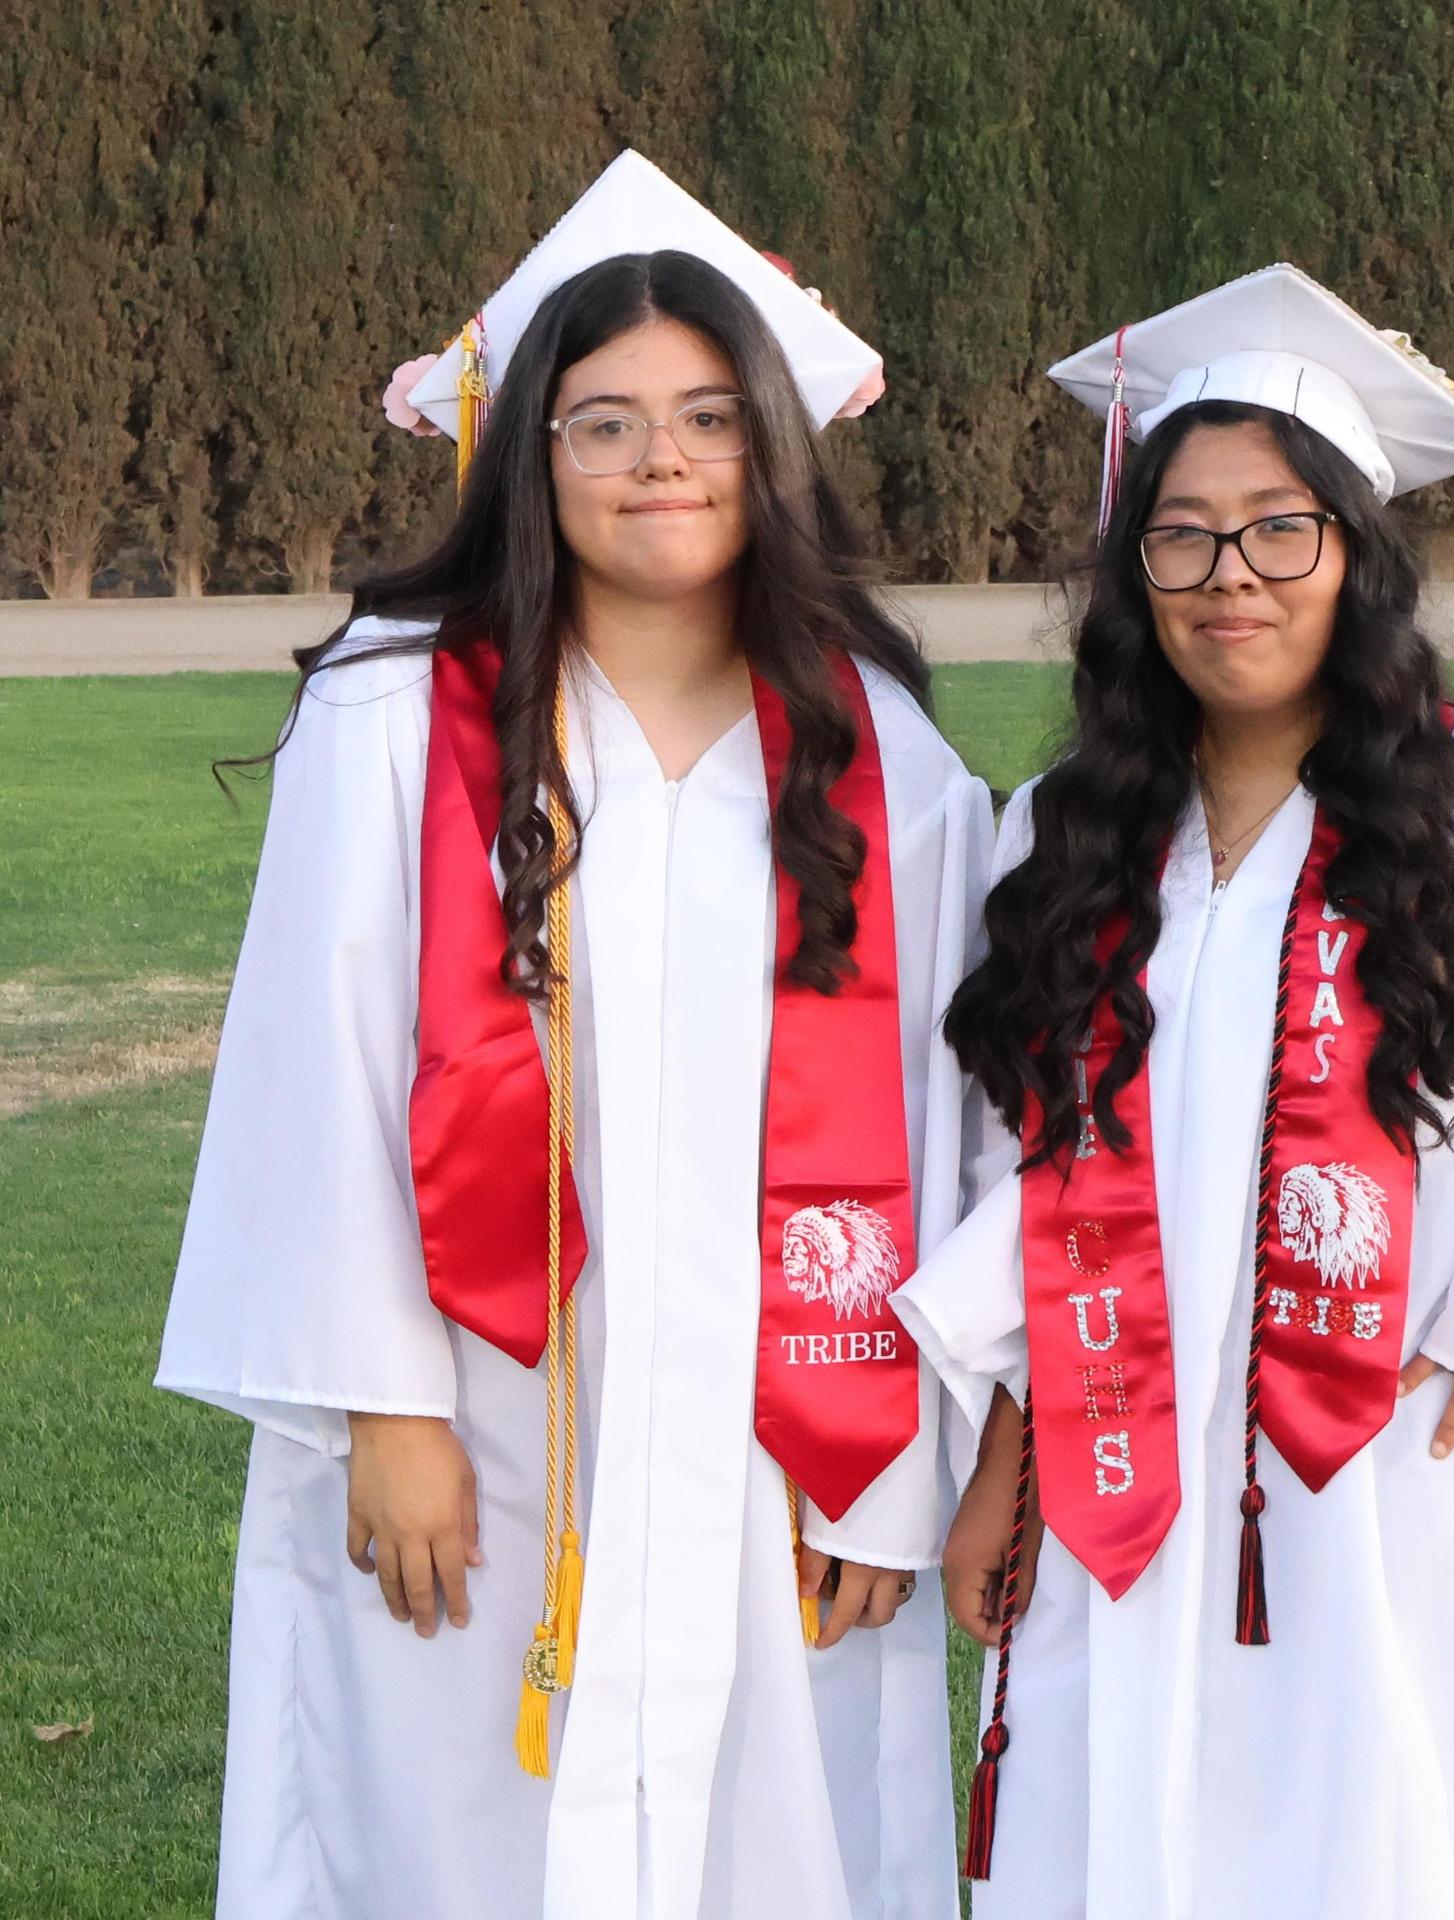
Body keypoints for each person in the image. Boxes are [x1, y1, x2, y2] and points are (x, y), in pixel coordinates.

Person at [890, 264, 1454, 1920]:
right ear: (1135, 573)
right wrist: (1001, 1468)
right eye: (1181, 535)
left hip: (1388, 1475)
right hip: (1118, 1470)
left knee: (1388, 1833)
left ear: (1355, 555)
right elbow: (1033, 1180)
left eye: (1278, 529)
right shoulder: (1070, 843)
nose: (1227, 575)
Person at [158, 151, 989, 1920]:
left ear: (770, 448)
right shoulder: (399, 718)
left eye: (703, 416)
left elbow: (952, 1128)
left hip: (777, 1447)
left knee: (772, 1842)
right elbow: (313, 1074)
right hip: (484, 1413)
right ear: (533, 451)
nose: (659, 460)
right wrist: (380, 1406)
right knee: (445, 1831)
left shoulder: (883, 767)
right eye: (602, 422)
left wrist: (891, 1474)